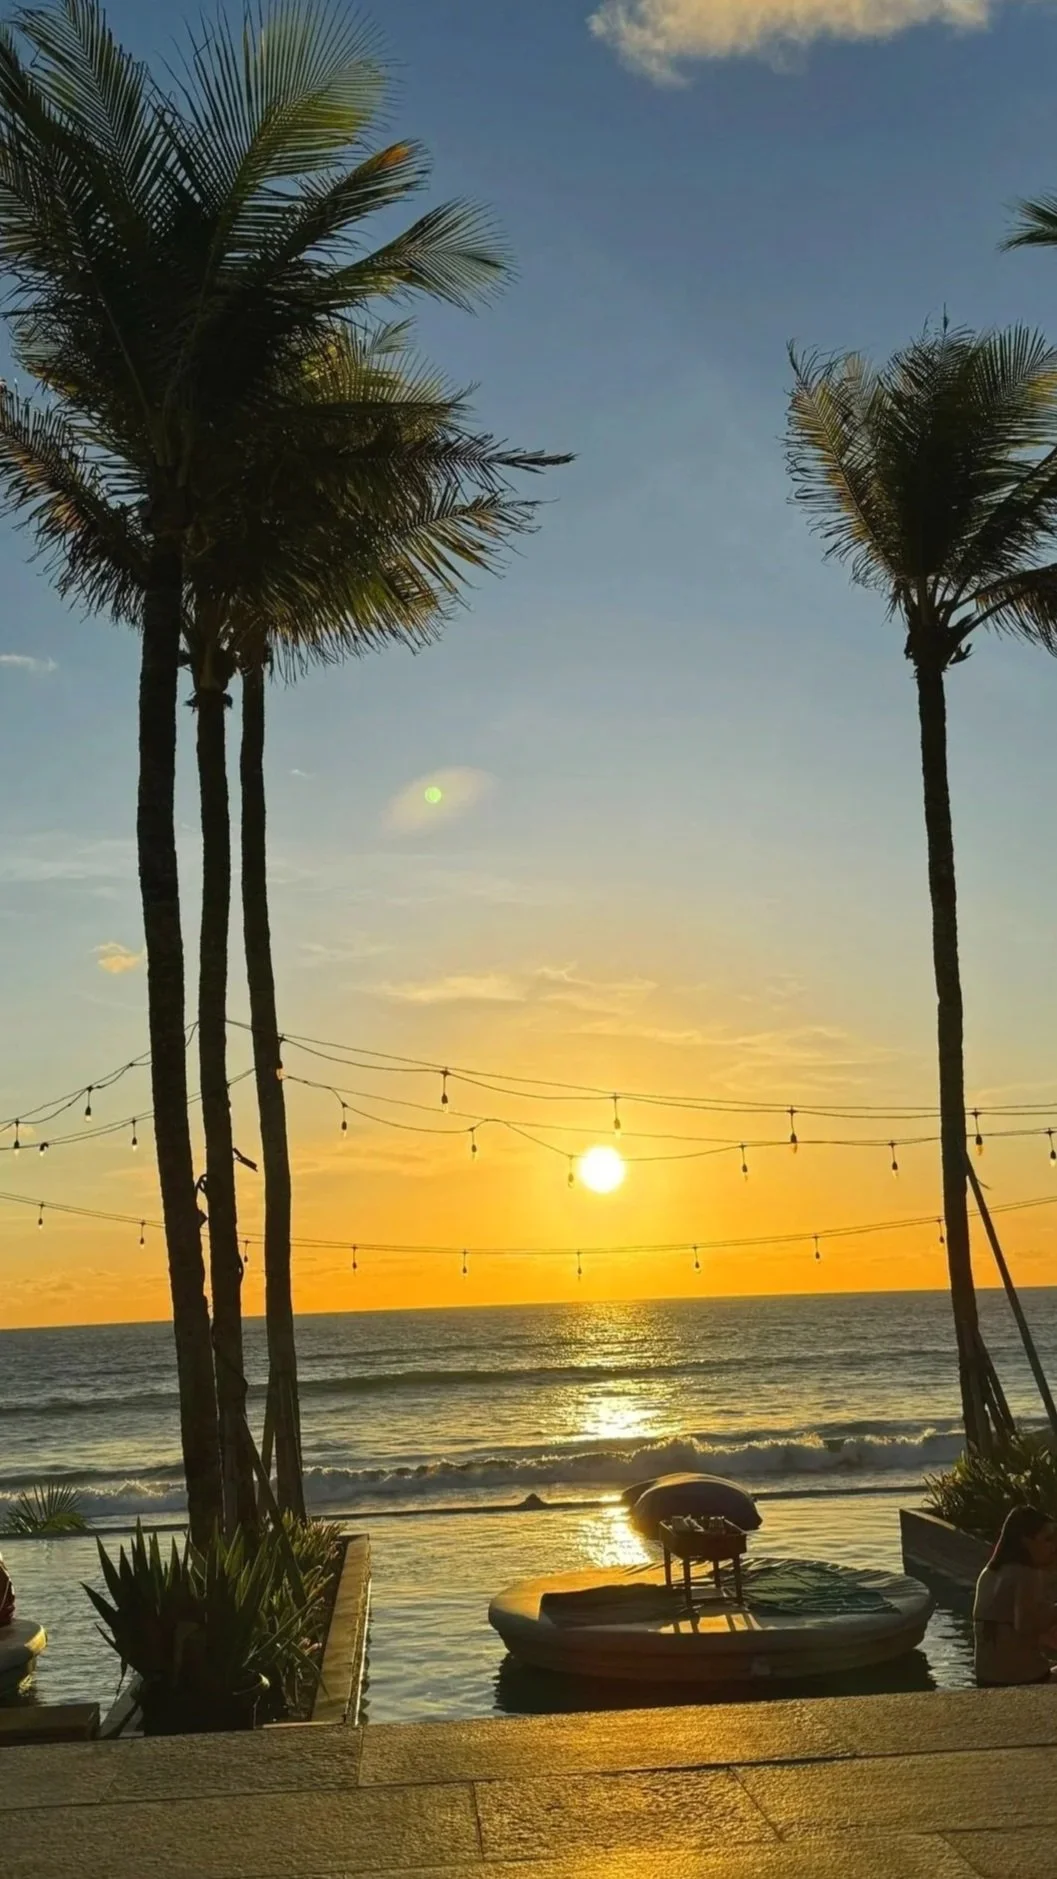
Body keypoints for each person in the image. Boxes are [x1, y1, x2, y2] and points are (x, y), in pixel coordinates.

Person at [973, 1505, 1057, 1687]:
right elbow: (1025, 1625)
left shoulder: (989, 1573)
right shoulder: (1026, 1574)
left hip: (986, 1679)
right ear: (1026, 1541)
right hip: (1022, 1680)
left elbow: (1008, 1630)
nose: (1054, 1546)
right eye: (1047, 1539)